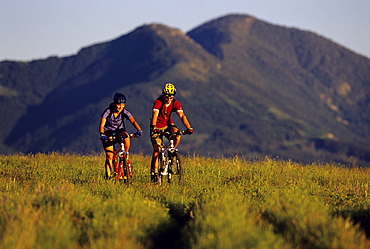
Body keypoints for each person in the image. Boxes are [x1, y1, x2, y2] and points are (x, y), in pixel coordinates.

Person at [150, 82, 194, 182]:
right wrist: (153, 127)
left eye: (171, 97)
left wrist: (189, 127)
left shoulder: (175, 103)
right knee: (157, 150)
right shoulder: (158, 102)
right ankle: (154, 173)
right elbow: (154, 115)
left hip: (168, 125)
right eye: (166, 97)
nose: (168, 99)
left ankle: (172, 151)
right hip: (156, 126)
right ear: (163, 95)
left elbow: (182, 116)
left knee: (177, 134)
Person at [99, 92, 143, 179]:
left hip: (119, 131)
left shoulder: (124, 112)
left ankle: (125, 155)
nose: (120, 107)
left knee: (126, 136)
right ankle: (108, 176)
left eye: (122, 104)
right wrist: (102, 134)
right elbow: (101, 125)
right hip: (108, 132)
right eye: (118, 104)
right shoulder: (108, 112)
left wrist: (139, 130)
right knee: (109, 156)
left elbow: (133, 121)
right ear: (114, 103)